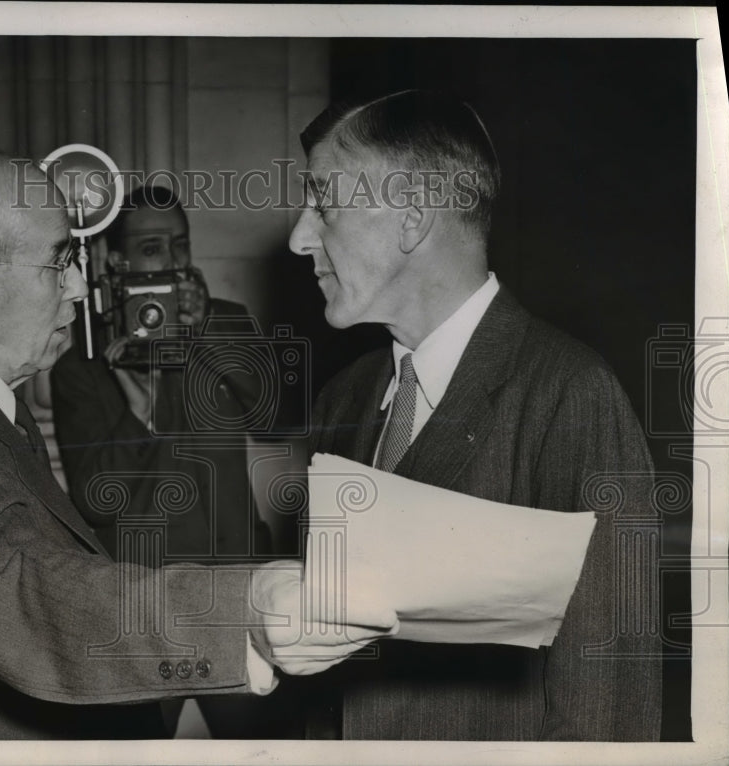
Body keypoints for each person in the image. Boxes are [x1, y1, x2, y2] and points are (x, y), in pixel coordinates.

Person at [0, 148, 392, 740]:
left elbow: (280, 416)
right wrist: (249, 609)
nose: (79, 287)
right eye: (58, 262)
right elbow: (24, 591)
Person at [288, 90, 661, 740]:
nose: (299, 237)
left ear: (411, 217)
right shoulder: (343, 400)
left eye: (324, 204)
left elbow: (608, 710)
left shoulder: (568, 396)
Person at [51, 185, 285, 737]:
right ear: (117, 261)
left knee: (262, 749)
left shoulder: (226, 321)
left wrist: (205, 334)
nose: (175, 262)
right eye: (154, 247)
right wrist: (139, 411)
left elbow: (275, 419)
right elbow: (92, 497)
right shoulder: (83, 361)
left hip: (236, 598)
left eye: (180, 245)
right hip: (144, 609)